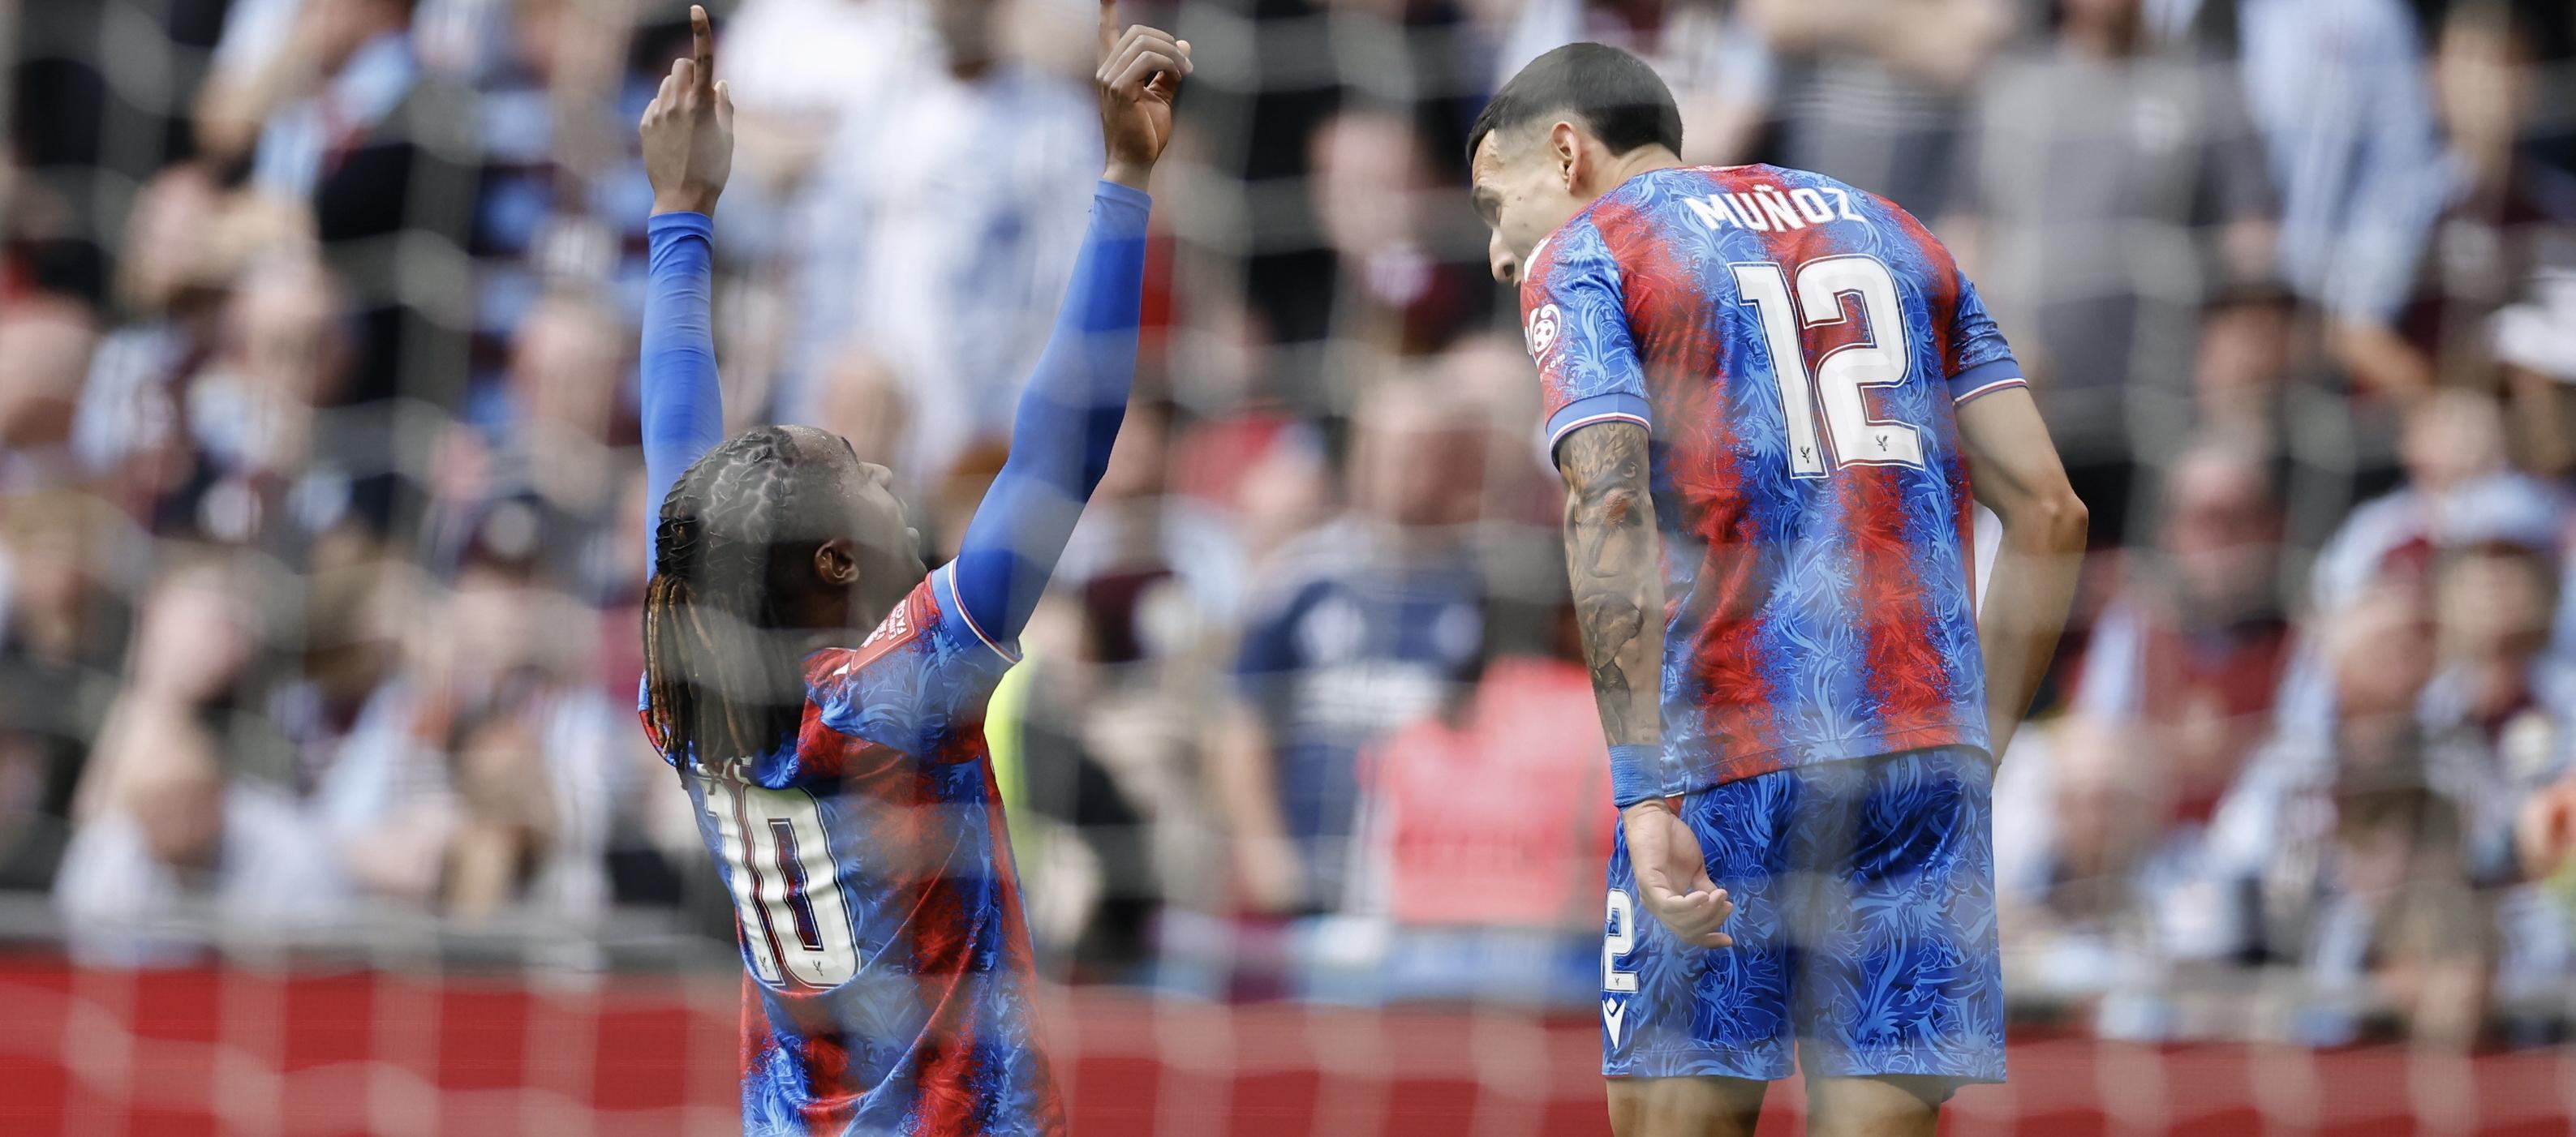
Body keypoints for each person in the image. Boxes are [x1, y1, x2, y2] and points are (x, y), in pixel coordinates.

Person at [1464, 43, 2088, 1137]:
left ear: (1565, 152)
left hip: (1725, 754)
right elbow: (2051, 511)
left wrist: (1644, 788)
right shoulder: (1901, 232)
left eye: (1491, 200)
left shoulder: (1590, 247)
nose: (1496, 251)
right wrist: (1970, 744)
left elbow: (1605, 499)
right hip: (1915, 759)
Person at [631, 6, 1185, 1133]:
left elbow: (678, 491)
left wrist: (680, 216)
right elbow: (1064, 450)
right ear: (839, 559)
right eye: (860, 468)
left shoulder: (688, 701)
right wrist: (1125, 176)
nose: (888, 467)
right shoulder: (889, 704)